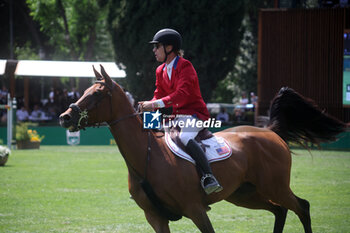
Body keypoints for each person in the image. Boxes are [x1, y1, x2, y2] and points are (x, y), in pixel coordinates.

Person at [139, 28, 222, 194]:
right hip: (175, 117)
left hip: (195, 114)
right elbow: (159, 95)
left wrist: (155, 104)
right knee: (149, 132)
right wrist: (147, 107)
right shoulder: (160, 70)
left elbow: (182, 95)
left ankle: (208, 177)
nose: (154, 50)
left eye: (157, 46)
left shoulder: (186, 66)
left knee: (184, 136)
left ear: (169, 47)